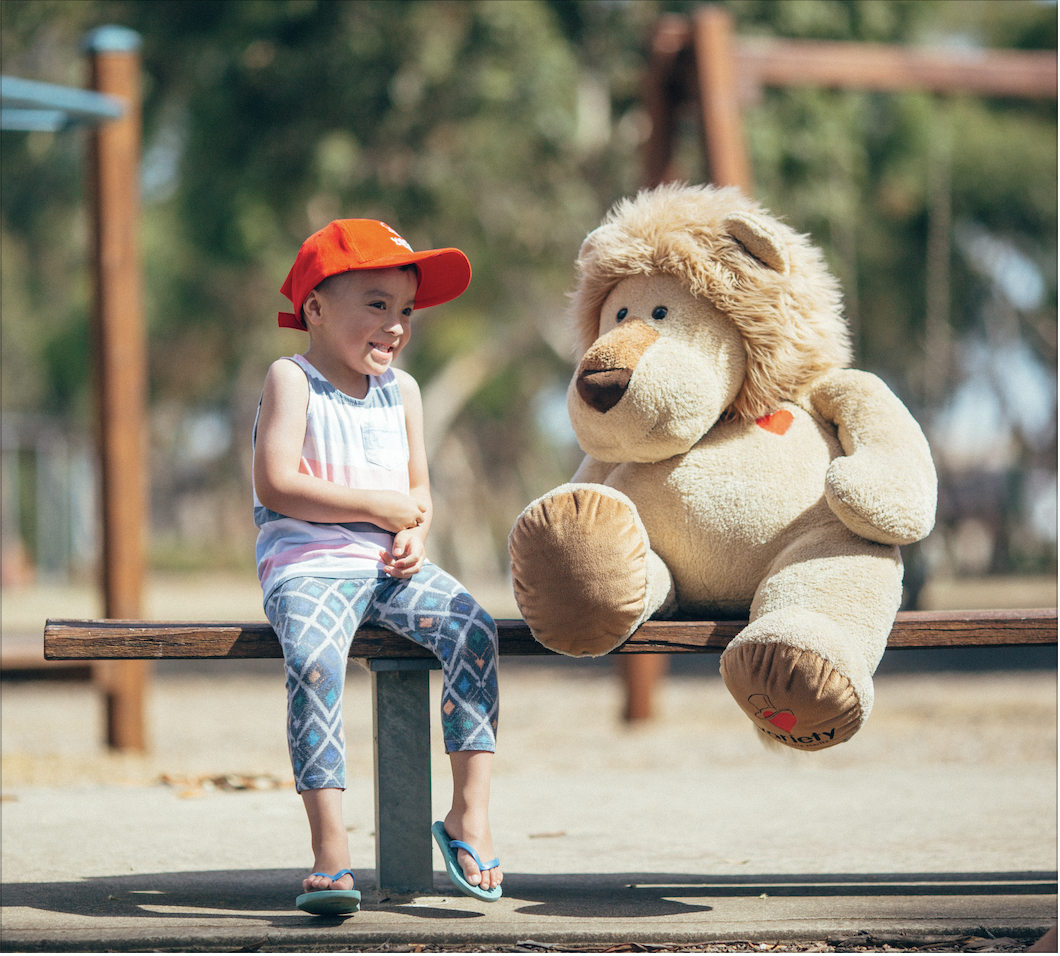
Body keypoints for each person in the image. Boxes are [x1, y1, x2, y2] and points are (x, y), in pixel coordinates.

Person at [252, 219, 502, 915]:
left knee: (473, 630)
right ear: (316, 309)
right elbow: (276, 484)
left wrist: (414, 530)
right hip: (308, 568)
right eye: (376, 305)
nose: (395, 326)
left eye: (405, 311)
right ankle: (331, 854)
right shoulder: (291, 380)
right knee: (313, 661)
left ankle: (468, 819)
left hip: (390, 571)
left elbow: (417, 495)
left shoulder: (405, 393)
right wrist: (377, 507)